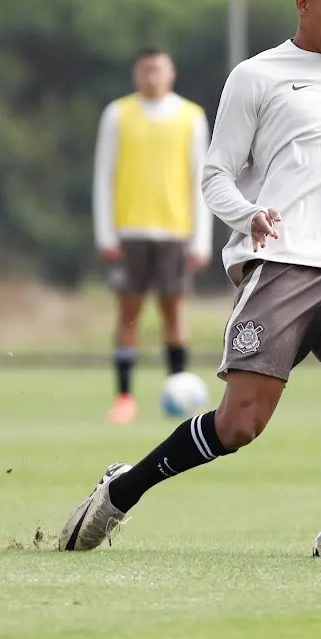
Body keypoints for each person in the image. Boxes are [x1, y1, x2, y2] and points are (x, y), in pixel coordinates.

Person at [60, 0, 321, 560]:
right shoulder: (257, 77)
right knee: (239, 426)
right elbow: (216, 175)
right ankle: (122, 491)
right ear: (304, 3)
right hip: (283, 265)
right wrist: (247, 215)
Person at [93, 47, 213, 424]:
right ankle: (125, 396)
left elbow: (201, 179)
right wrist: (106, 234)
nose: (152, 77)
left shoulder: (191, 116)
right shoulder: (118, 114)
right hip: (129, 230)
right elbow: (104, 176)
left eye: (158, 70)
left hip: (175, 231)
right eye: (145, 70)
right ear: (136, 74)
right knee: (128, 313)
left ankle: (177, 389)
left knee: (173, 312)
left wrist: (201, 240)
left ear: (171, 73)